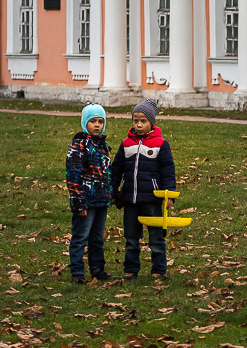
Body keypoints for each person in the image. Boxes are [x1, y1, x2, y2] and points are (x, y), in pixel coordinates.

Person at [110, 99, 176, 283]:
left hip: (152, 199)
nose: (138, 124)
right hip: (130, 198)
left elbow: (168, 170)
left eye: (143, 121)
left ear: (151, 122)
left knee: (156, 237)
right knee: (131, 237)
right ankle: (131, 269)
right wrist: (113, 191)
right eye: (135, 120)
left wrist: (168, 194)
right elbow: (116, 170)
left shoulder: (160, 144)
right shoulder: (126, 144)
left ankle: (159, 269)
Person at [65, 103, 112, 285]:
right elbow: (73, 174)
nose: (97, 125)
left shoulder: (102, 145)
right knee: (80, 237)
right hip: (85, 201)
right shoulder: (79, 145)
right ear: (85, 123)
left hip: (101, 199)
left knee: (97, 238)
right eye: (93, 121)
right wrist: (78, 202)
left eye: (100, 121)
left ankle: (97, 269)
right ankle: (77, 272)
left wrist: (111, 193)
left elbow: (108, 173)